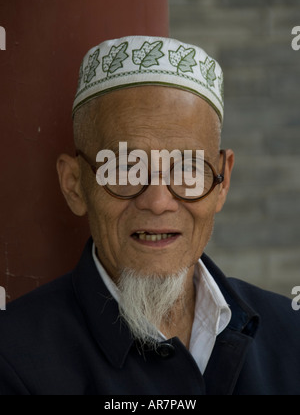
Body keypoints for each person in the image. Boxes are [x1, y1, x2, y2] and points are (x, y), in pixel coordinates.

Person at [0, 36, 299, 395]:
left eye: (187, 167)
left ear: (222, 181)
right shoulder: (14, 358)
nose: (158, 202)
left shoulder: (290, 332)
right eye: (127, 168)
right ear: (75, 185)